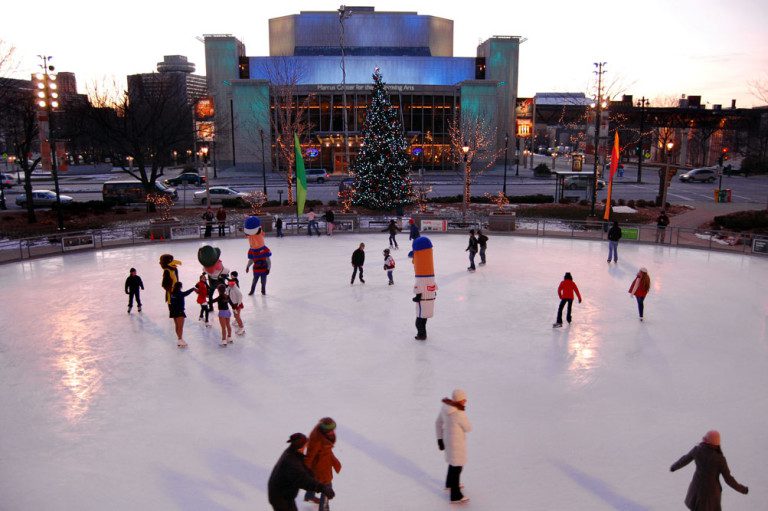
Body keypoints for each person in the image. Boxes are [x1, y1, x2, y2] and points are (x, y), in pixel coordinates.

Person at [670, 430, 749, 510]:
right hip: (711, 495)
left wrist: (674, 467)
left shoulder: (698, 450)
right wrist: (743, 489)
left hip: (697, 490)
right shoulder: (719, 459)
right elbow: (728, 479)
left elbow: (685, 459)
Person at [268, 433, 335, 511]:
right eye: (305, 445)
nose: (307, 447)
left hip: (283, 494)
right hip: (280, 498)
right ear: (300, 447)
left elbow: (302, 463)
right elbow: (304, 480)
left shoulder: (291, 452)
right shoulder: (291, 463)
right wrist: (322, 488)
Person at [435, 389, 472, 504]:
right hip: (457, 443)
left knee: (453, 463)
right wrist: (464, 415)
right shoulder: (459, 413)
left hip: (448, 441)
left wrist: (440, 439)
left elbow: (437, 423)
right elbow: (468, 428)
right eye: (463, 399)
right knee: (457, 467)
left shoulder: (445, 408)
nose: (465, 401)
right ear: (459, 399)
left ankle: (449, 483)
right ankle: (455, 495)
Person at [303, 418, 342, 510]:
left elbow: (326, 451)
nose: (332, 432)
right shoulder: (317, 441)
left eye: (333, 429)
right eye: (330, 430)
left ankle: (309, 496)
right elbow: (310, 456)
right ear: (324, 430)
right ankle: (324, 508)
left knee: (313, 481)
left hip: (323, 465)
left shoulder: (322, 434)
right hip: (320, 469)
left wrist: (335, 462)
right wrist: (304, 470)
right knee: (327, 487)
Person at [411, 236, 437, 341]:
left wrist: (416, 297)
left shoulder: (421, 280)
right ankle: (423, 334)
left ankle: (421, 335)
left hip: (423, 302)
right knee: (423, 320)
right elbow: (434, 288)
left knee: (418, 322)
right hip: (430, 302)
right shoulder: (431, 280)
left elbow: (418, 290)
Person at [169, 281, 195, 348]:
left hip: (173, 311)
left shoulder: (172, 293)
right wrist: (193, 289)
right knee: (180, 327)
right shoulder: (179, 293)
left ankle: (179, 339)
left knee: (177, 326)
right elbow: (186, 293)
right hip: (179, 311)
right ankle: (180, 340)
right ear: (180, 287)